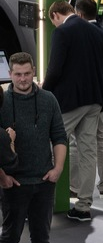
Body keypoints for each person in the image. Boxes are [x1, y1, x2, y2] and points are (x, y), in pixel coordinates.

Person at [41, 0, 103, 222]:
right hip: (95, 101)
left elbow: (55, 68)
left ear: (55, 16)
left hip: (71, 101)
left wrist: (44, 90)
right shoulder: (97, 32)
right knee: (88, 151)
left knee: (47, 141)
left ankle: (39, 200)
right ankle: (83, 206)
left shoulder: (62, 32)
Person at [0, 52, 67, 243]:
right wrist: (2, 176)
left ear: (34, 72)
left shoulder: (49, 100)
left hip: (44, 183)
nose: (23, 79)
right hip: (14, 184)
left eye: (27, 73)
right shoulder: (1, 102)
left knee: (41, 237)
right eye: (18, 74)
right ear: (10, 73)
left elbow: (59, 136)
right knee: (10, 237)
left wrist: (58, 169)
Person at [71, 0, 103, 199]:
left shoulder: (79, 34)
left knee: (79, 141)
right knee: (101, 138)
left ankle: (75, 185)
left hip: (83, 96)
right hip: (102, 93)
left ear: (78, 14)